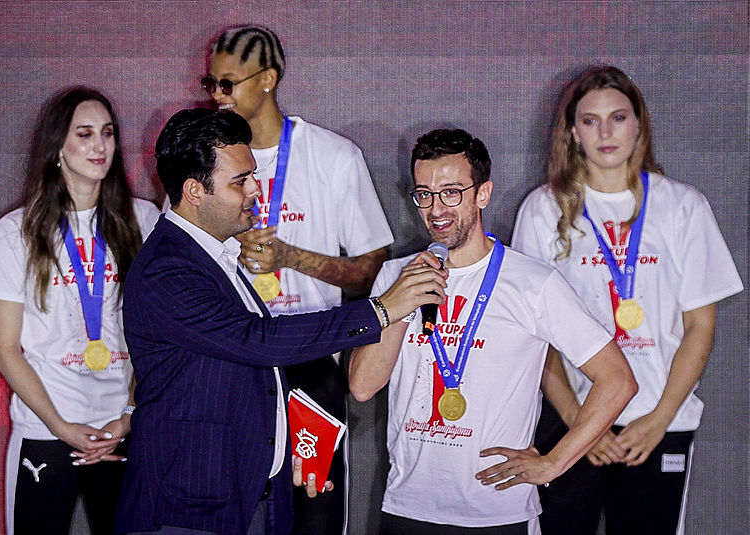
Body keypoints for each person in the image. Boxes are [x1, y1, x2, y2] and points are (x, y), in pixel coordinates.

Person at [114, 108, 446, 535]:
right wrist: (381, 310)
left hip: (247, 492)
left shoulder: (215, 254)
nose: (256, 189)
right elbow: (260, 342)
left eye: (253, 174)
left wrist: (283, 450)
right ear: (195, 190)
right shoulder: (168, 268)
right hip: (187, 507)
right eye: (240, 181)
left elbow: (245, 376)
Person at [348, 128, 637, 534]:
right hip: (408, 505)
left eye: (451, 192)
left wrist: (554, 463)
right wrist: (400, 301)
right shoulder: (396, 275)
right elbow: (363, 386)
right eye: (424, 194)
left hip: (497, 512)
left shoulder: (532, 282)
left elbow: (618, 380)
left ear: (482, 194)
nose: (436, 209)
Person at [511, 66, 744, 534]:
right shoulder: (543, 209)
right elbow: (533, 334)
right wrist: (580, 422)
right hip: (570, 422)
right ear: (573, 131)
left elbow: (700, 326)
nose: (605, 132)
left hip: (658, 424)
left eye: (617, 118)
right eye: (590, 120)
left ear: (639, 125)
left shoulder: (684, 207)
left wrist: (661, 418)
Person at [197, 24, 395, 534]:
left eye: (228, 83)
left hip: (310, 359)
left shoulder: (333, 156)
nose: (216, 95)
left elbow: (371, 271)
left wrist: (289, 257)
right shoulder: (201, 162)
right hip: (233, 359)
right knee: (233, 510)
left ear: (268, 79)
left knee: (315, 514)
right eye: (210, 83)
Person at [0, 87, 160, 535]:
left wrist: (129, 417)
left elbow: (157, 333)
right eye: (84, 134)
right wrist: (61, 426)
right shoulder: (16, 232)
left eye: (108, 133)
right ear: (58, 145)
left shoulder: (145, 220)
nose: (100, 146)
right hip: (46, 428)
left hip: (124, 427)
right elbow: (6, 349)